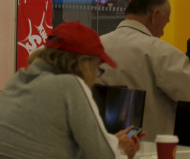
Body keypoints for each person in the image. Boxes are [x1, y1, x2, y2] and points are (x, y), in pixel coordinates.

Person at [0, 21, 141, 159]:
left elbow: (46, 144)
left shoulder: (18, 80)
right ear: (84, 64)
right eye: (96, 67)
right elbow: (104, 156)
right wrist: (112, 147)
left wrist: (110, 141)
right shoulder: (70, 85)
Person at [97, 0, 190, 139]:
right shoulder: (161, 52)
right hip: (145, 146)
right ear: (155, 15)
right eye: (166, 21)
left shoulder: (95, 46)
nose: (163, 31)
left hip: (99, 146)